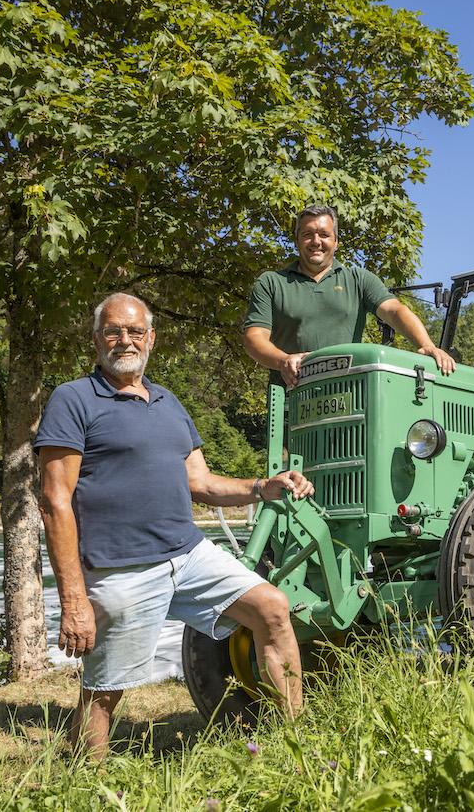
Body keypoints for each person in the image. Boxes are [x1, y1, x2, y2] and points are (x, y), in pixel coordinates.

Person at [36, 293, 314, 758]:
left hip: (187, 555)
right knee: (106, 687)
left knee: (271, 607)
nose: (124, 340)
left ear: (151, 338)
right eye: (113, 331)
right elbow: (54, 501)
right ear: (96, 339)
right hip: (121, 567)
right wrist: (73, 599)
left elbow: (200, 482)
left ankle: (294, 743)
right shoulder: (73, 398)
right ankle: (84, 781)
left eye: (134, 331)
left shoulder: (167, 401)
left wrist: (264, 485)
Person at [243, 205, 456, 387]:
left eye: (324, 235)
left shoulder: (358, 279)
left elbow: (394, 310)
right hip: (290, 403)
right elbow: (254, 338)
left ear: (336, 241)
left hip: (348, 401)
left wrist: (426, 344)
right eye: (308, 234)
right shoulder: (271, 282)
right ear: (297, 240)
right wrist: (283, 361)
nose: (316, 241)